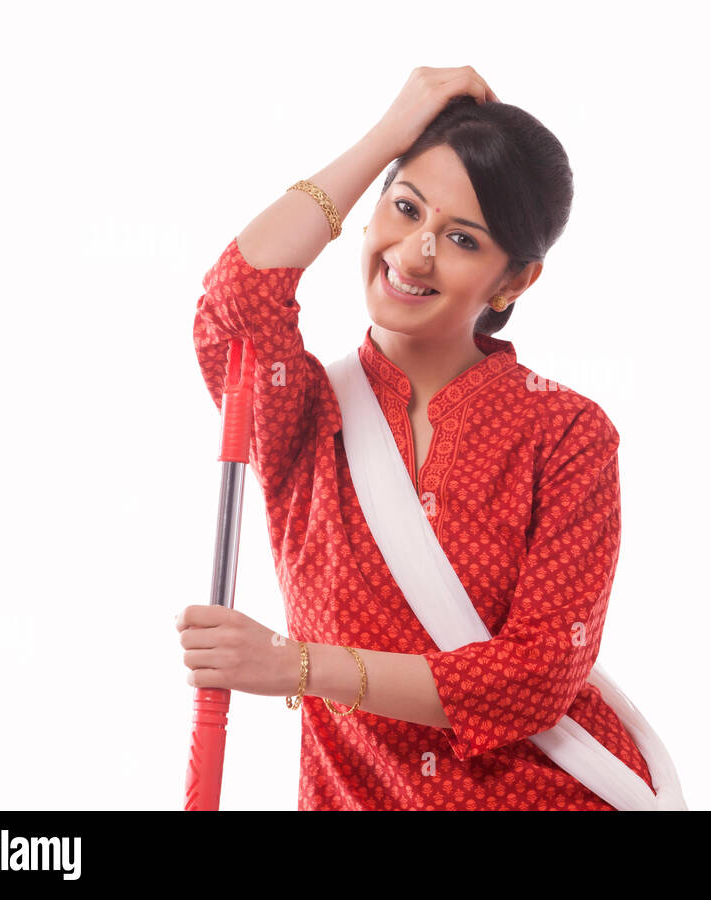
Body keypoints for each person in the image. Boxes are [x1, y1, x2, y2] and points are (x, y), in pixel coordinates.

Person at [177, 66, 662, 809]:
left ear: (514, 282)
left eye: (462, 238)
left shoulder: (568, 434)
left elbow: (537, 679)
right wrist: (387, 136)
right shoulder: (301, 413)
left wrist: (297, 666)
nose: (415, 252)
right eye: (405, 208)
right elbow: (238, 295)